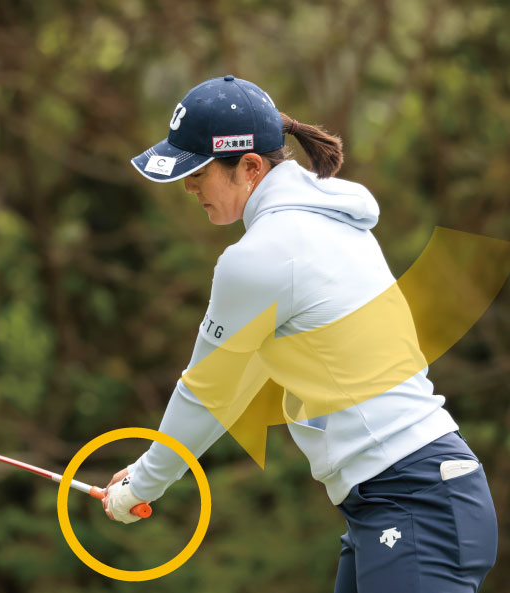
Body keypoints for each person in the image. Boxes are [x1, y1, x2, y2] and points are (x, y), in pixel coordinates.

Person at [101, 75, 498, 592]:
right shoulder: (327, 222)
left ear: (250, 167)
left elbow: (207, 393)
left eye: (198, 171)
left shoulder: (264, 254)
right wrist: (144, 472)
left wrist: (141, 486)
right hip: (398, 498)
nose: (189, 187)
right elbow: (233, 387)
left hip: (413, 497)